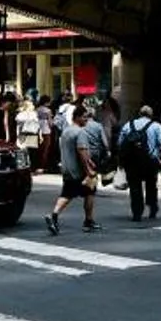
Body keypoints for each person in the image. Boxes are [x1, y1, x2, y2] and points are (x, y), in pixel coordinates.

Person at [47, 100, 106, 236]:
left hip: (67, 168)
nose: (86, 120)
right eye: (84, 117)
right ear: (77, 117)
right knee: (84, 192)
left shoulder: (66, 132)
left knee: (73, 193)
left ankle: (84, 220)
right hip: (79, 171)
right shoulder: (80, 133)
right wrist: (89, 170)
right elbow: (82, 152)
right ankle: (58, 216)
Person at [118, 105, 161, 221]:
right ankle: (152, 207)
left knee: (135, 187)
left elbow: (120, 143)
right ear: (151, 115)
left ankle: (137, 213)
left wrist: (120, 160)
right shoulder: (156, 126)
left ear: (139, 114)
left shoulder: (128, 125)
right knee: (151, 185)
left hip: (132, 162)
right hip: (150, 161)